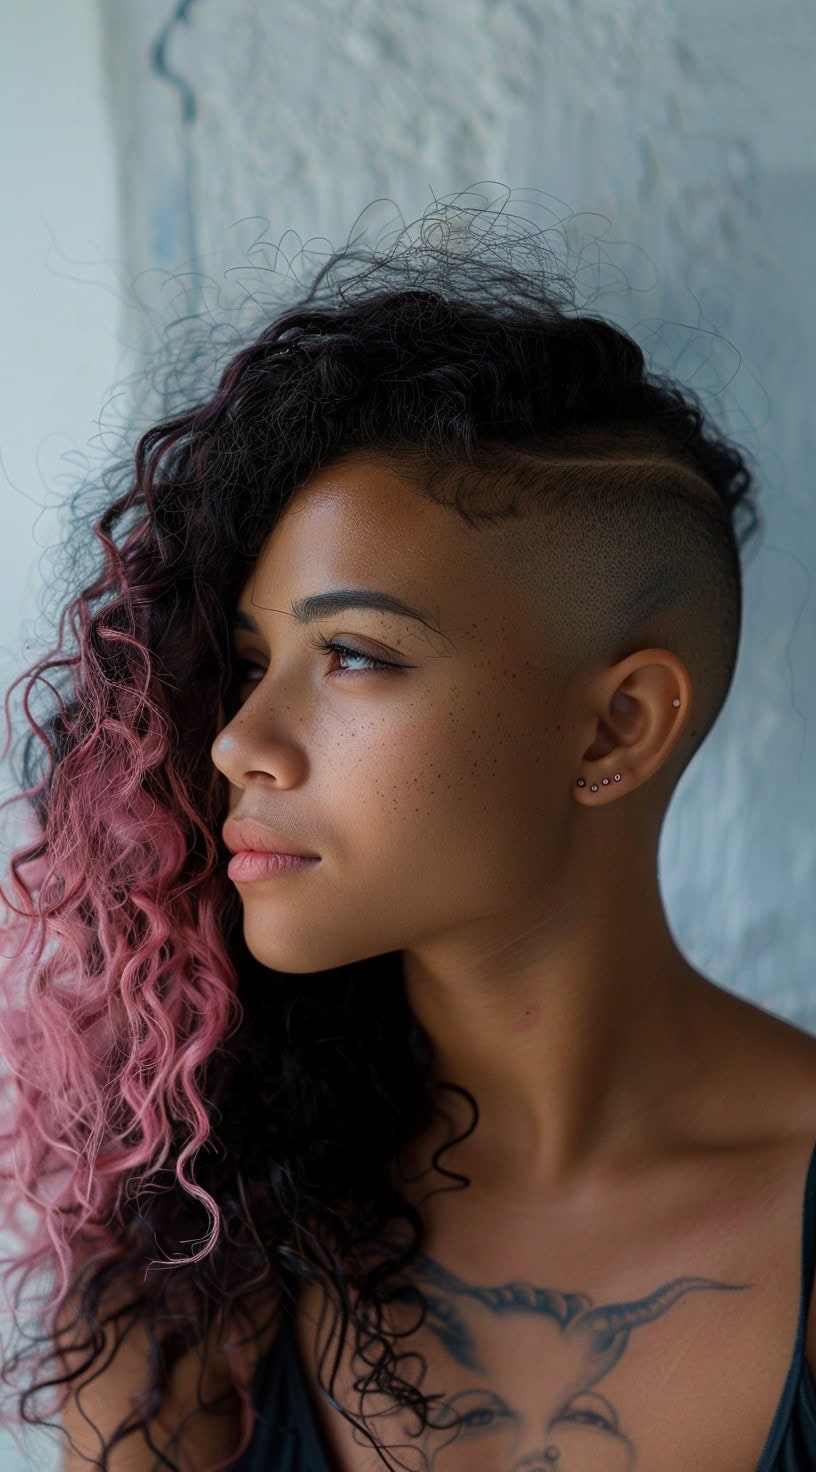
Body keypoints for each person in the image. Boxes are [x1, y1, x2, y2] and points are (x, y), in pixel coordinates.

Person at [0, 200, 813, 1472]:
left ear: (616, 729)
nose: (238, 738)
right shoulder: (191, 1278)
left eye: (357, 654)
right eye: (256, 657)